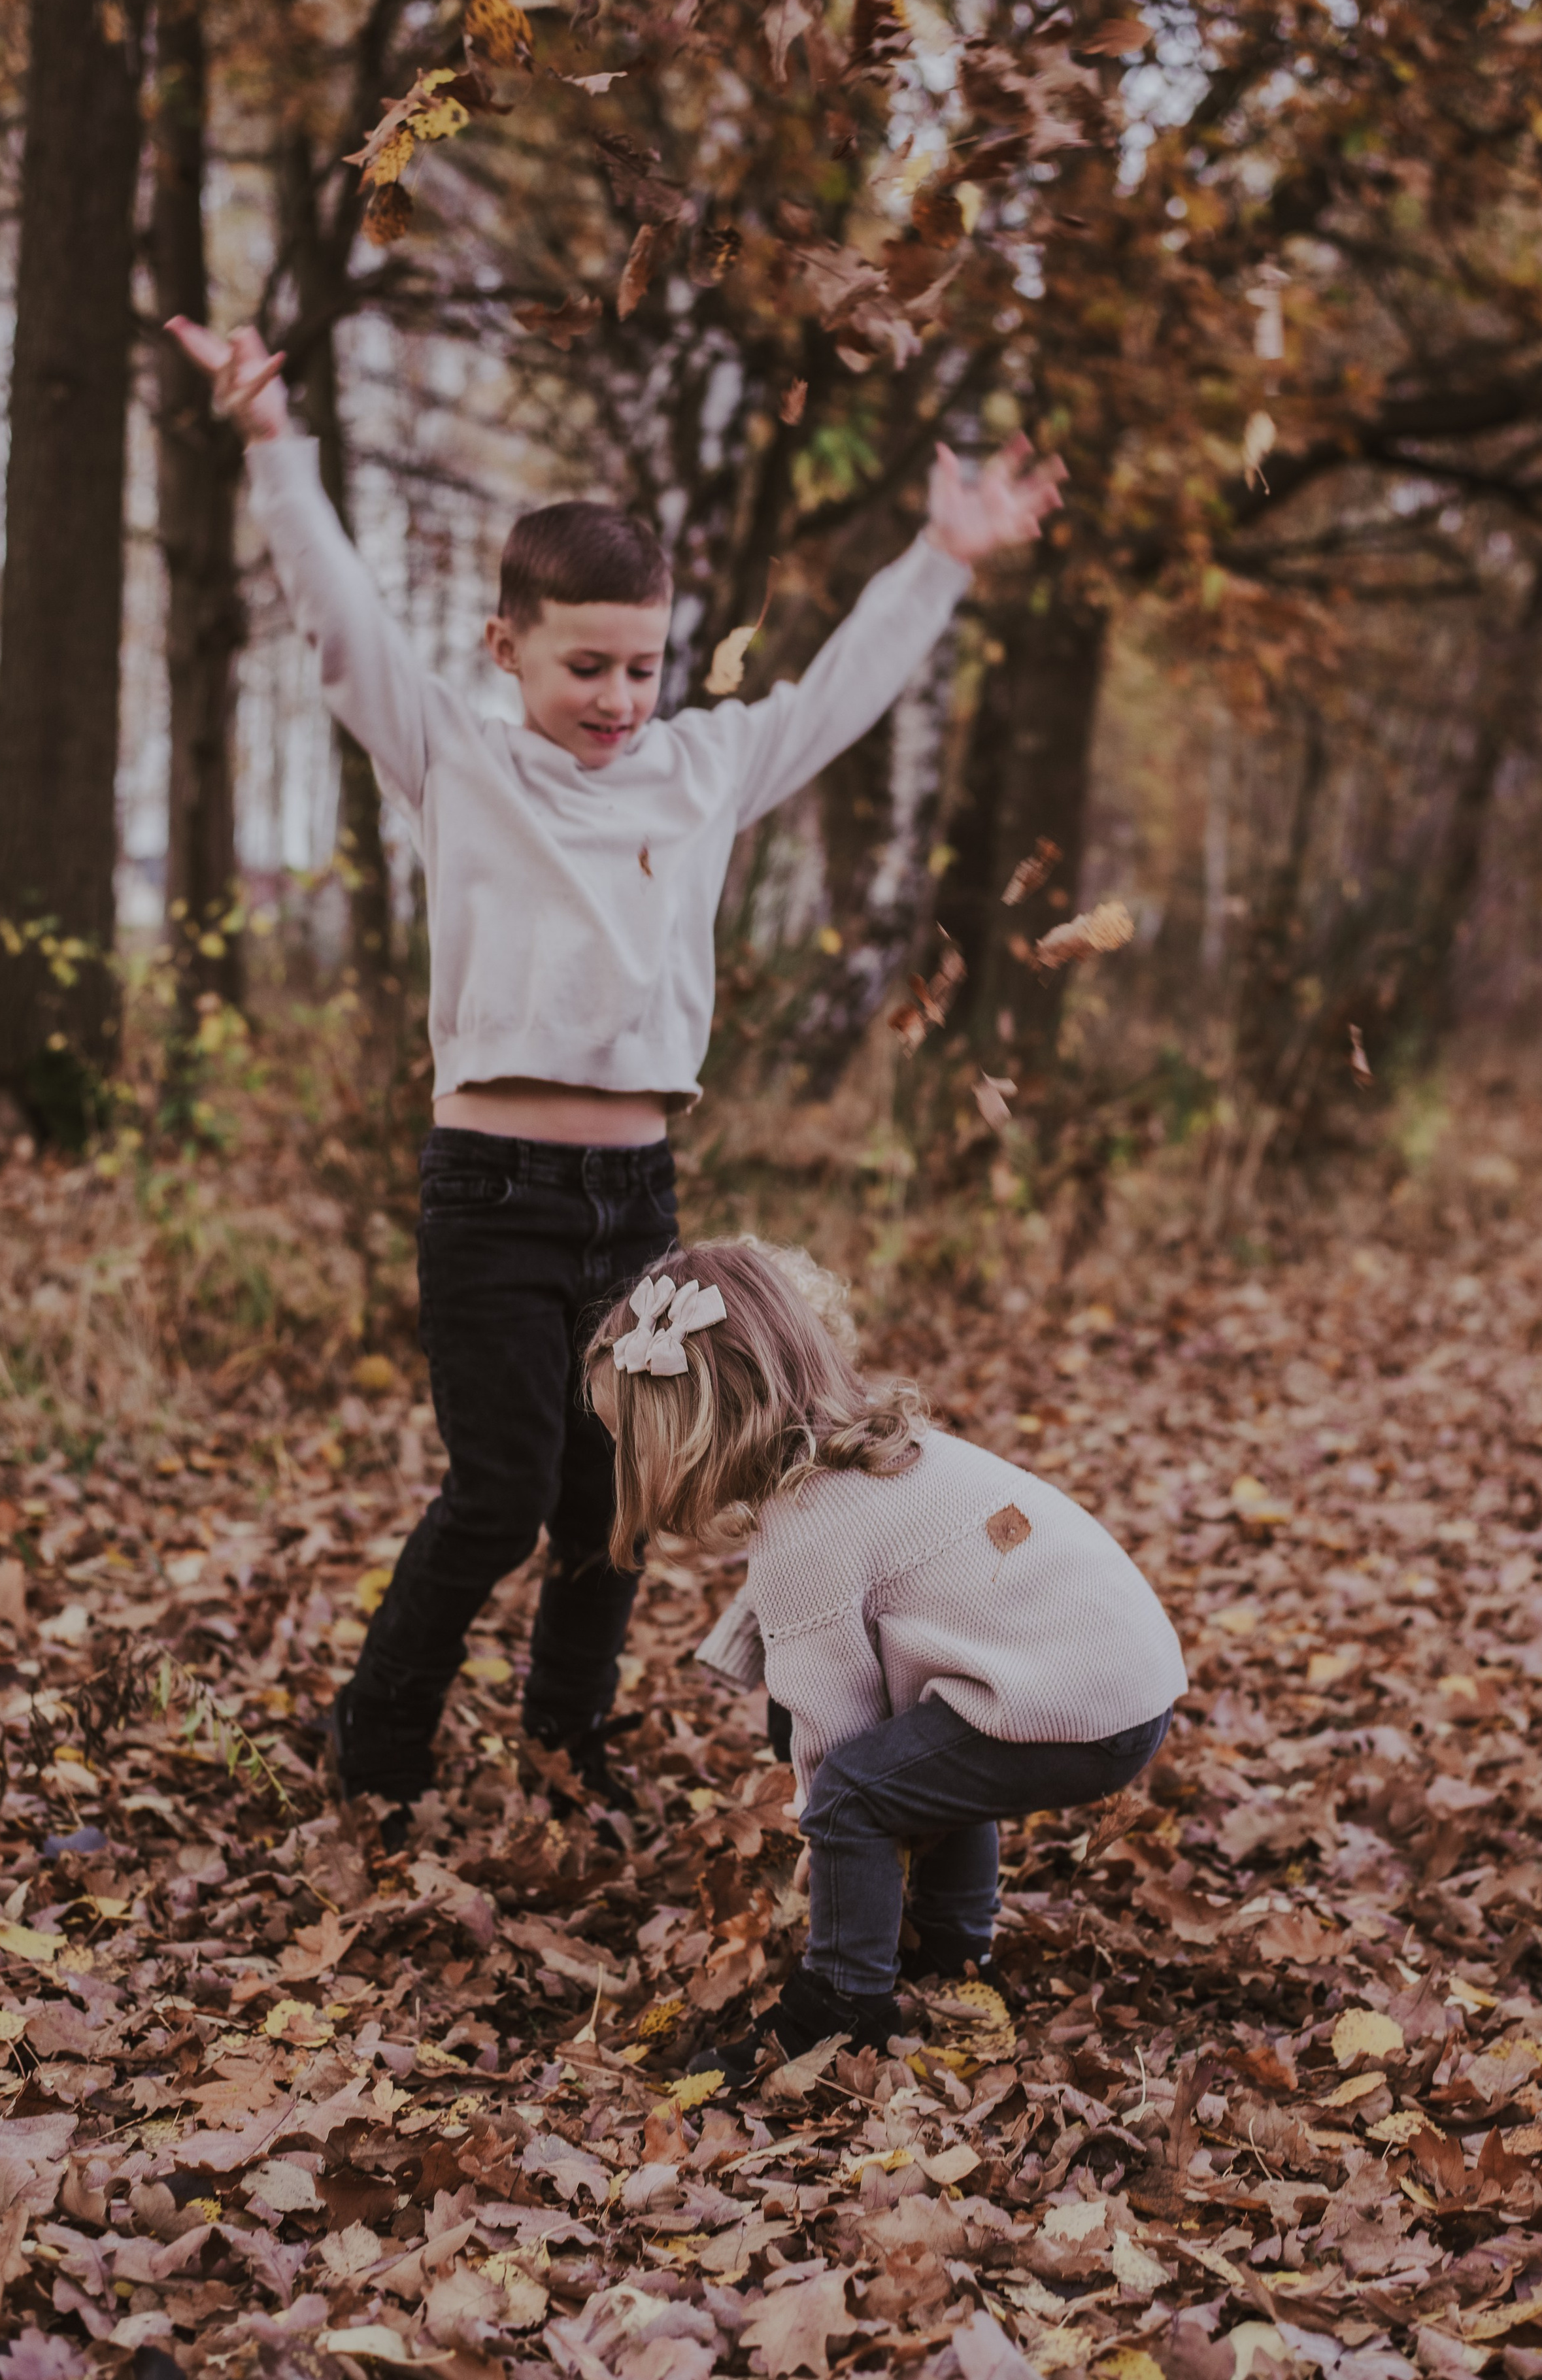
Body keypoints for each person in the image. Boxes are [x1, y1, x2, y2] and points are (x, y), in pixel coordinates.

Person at [165, 316, 1065, 1832]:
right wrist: (273, 445)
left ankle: (566, 1742)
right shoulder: (455, 752)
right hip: (491, 1193)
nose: (618, 695)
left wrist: (942, 560)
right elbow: (340, 625)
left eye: (641, 663)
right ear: (506, 645)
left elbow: (839, 694)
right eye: (585, 664)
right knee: (500, 1486)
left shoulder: (701, 767)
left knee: (609, 1501)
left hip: (633, 1200)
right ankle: (374, 1735)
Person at [586, 1239, 1187, 2081]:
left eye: (627, 1443)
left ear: (688, 1432)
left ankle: (840, 2002)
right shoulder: (866, 1452)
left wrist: (822, 1830)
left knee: (858, 1789)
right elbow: (811, 1601)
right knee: (931, 1753)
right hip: (1120, 1679)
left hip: (1079, 1705)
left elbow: (831, 1729)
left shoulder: (808, 1524)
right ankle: (952, 1948)